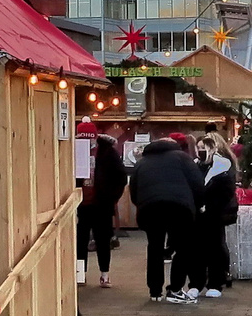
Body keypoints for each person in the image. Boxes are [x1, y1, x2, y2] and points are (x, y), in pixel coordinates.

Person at [129, 135, 203, 303]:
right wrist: (196, 205)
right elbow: (197, 183)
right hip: (179, 207)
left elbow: (133, 190)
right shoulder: (182, 157)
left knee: (154, 247)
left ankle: (155, 291)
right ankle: (175, 288)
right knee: (183, 248)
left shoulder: (142, 162)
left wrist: (142, 204)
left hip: (150, 208)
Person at [77, 124, 127, 288]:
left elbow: (120, 177)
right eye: (82, 138)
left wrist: (112, 197)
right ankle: (80, 274)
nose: (86, 141)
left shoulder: (107, 152)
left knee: (103, 240)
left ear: (95, 137)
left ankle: (104, 274)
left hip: (102, 203)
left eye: (89, 138)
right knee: (79, 240)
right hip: (80, 203)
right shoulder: (73, 150)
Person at [191, 134, 240, 296]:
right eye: (198, 148)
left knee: (215, 249)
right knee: (197, 251)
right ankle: (196, 283)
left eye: (203, 148)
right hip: (198, 216)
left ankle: (215, 283)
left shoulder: (223, 168)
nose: (200, 152)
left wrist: (209, 206)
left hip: (215, 216)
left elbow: (226, 193)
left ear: (212, 149)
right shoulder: (195, 166)